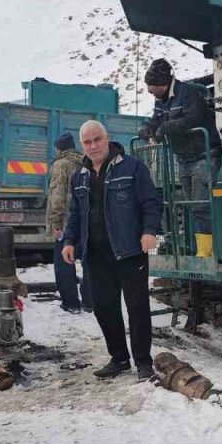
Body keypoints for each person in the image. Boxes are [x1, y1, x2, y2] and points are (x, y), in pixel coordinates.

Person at [62, 121, 162, 381]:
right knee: (104, 308)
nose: (93, 146)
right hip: (95, 254)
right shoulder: (79, 176)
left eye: (97, 140)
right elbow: (74, 213)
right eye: (87, 142)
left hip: (129, 251)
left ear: (107, 139)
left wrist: (150, 231)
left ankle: (143, 362)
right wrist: (69, 241)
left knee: (137, 308)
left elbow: (151, 202)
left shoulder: (133, 168)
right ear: (82, 145)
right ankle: (119, 358)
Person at [139, 58, 221, 258]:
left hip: (205, 155)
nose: (149, 91)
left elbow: (193, 118)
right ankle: (192, 249)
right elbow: (157, 119)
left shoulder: (189, 93)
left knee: (200, 205)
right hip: (183, 159)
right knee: (189, 205)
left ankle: (205, 254)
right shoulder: (161, 100)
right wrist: (148, 128)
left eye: (152, 87)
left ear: (162, 83)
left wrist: (166, 128)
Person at [47, 132, 90, 314]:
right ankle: (89, 301)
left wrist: (56, 223)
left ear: (59, 148)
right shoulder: (84, 163)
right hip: (85, 220)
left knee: (63, 261)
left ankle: (71, 302)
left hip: (66, 222)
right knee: (88, 261)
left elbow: (58, 196)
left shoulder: (61, 165)